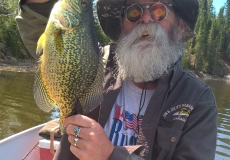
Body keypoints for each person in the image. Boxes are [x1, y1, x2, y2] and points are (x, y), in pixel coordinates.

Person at [16, 0, 218, 159]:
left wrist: (110, 155)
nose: (146, 18)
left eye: (158, 10)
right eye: (134, 12)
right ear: (122, 25)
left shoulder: (198, 100)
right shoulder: (95, 60)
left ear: (180, 26)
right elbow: (45, 35)